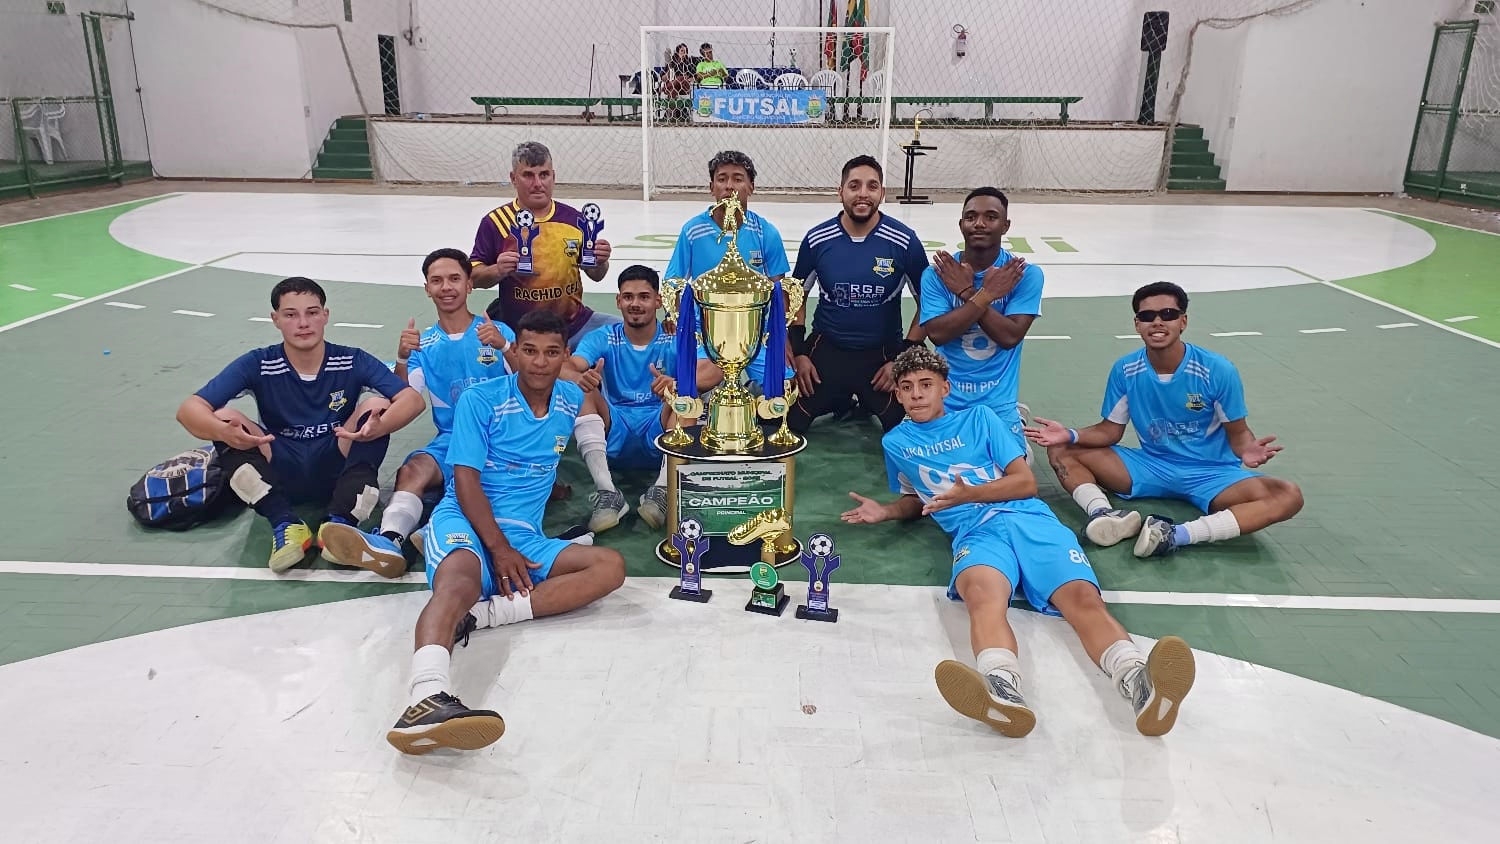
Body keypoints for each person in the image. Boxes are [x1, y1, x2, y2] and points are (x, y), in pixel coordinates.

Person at [841, 347, 1196, 738]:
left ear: (945, 388)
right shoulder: (895, 442)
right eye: (907, 387)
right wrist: (886, 511)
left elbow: (1025, 482)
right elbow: (917, 498)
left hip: (1030, 520)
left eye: (926, 384)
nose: (916, 394)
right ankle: (1002, 689)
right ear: (897, 393)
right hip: (975, 534)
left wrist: (970, 494)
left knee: (1082, 600)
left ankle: (1139, 681)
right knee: (981, 598)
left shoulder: (980, 418)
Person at [386, 310, 626, 755]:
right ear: (514, 352)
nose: (539, 362)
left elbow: (601, 426)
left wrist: (597, 391)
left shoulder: (570, 397)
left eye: (551, 353)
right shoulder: (481, 400)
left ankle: (482, 616)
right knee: (459, 584)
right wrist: (498, 548)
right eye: (529, 351)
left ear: (564, 356)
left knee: (609, 567)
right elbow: (465, 480)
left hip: (524, 536)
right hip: (465, 518)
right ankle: (425, 697)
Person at [1026, 281, 1304, 557]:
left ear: (1183, 321)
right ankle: (1105, 514)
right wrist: (1069, 434)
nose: (1157, 322)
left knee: (1287, 495)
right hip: (1152, 466)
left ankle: (1174, 535)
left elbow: (1238, 432)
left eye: (1168, 314)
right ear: (1137, 324)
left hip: (1212, 474)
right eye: (1148, 316)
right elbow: (1110, 431)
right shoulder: (1126, 369)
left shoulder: (1216, 370)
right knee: (1061, 448)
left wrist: (1247, 450)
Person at [175, 277, 425, 574]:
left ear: (325, 315)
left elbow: (412, 400)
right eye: (291, 314)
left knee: (377, 409)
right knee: (224, 418)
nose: (303, 323)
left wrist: (379, 427)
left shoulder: (351, 360)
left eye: (312, 312)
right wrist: (222, 432)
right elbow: (189, 410)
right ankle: (284, 523)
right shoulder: (259, 364)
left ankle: (340, 524)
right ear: (276, 319)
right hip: (280, 467)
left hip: (337, 466)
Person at [318, 249, 516, 572]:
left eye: (454, 279)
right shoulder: (423, 345)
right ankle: (390, 540)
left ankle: (435, 528)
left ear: (469, 285)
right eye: (436, 280)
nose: (446, 287)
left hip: (499, 438)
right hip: (451, 439)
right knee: (412, 471)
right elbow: (404, 397)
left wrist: (505, 347)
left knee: (471, 483)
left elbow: (533, 385)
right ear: (427, 289)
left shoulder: (497, 332)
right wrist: (402, 359)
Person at [788, 154, 929, 434]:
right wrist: (800, 353)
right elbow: (795, 297)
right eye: (854, 186)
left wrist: (902, 360)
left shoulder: (904, 241)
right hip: (828, 350)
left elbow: (928, 303)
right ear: (840, 191)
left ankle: (861, 399)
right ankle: (840, 398)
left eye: (872, 186)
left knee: (910, 429)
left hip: (882, 358)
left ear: (882, 193)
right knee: (785, 421)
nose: (863, 193)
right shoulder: (817, 239)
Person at [919, 187, 1043, 452]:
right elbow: (938, 334)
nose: (979, 223)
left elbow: (1009, 336)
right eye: (971, 216)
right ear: (961, 224)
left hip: (997, 403)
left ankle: (1014, 415)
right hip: (947, 399)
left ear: (1005, 226)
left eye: (991, 217)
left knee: (1012, 467)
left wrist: (968, 292)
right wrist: (985, 295)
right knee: (932, 465)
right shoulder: (937, 274)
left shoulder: (1024, 274)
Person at [663, 149, 792, 394]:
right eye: (722, 179)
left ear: (751, 187)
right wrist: (676, 320)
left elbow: (780, 291)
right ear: (711, 187)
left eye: (737, 179)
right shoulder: (693, 231)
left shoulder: (766, 232)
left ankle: (749, 391)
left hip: (754, 329)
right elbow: (674, 282)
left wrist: (781, 339)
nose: (729, 186)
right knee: (704, 377)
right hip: (705, 329)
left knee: (784, 390)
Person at [468, 141, 617, 350]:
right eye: (528, 175)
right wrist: (497, 270)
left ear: (553, 177)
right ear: (513, 178)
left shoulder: (576, 220)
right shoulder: (496, 222)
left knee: (626, 333)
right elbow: (473, 278)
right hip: (521, 334)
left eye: (544, 175)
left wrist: (600, 261)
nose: (538, 183)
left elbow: (597, 275)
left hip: (575, 327)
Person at [566, 265, 675, 533]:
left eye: (644, 297)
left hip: (660, 429)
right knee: (582, 390)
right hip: (614, 430)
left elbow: (713, 370)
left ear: (658, 301)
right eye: (628, 297)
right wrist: (579, 378)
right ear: (618, 301)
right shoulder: (602, 337)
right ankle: (607, 492)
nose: (635, 304)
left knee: (685, 397)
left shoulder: (675, 338)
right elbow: (567, 367)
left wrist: (678, 384)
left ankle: (662, 490)